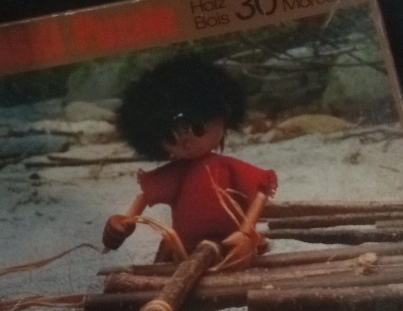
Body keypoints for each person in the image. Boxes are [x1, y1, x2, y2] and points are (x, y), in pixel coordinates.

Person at [102, 55, 278, 257]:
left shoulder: (228, 167)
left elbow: (259, 196)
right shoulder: (176, 174)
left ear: (224, 116)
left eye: (197, 128)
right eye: (171, 137)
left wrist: (246, 231)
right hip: (186, 246)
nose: (186, 142)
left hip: (231, 239)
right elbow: (143, 198)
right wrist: (122, 224)